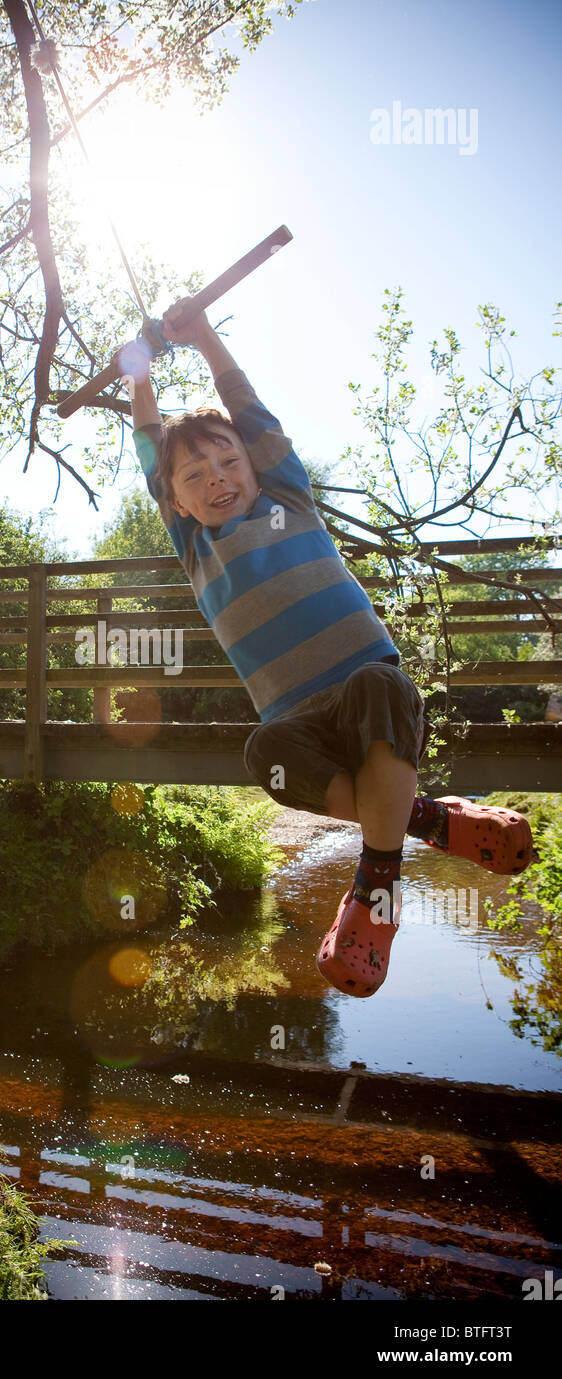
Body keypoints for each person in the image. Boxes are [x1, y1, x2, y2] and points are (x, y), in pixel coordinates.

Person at [125, 300, 534, 998]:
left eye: (228, 462)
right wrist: (139, 360)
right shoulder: (195, 548)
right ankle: (429, 819)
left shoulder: (288, 496)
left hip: (367, 692)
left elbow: (248, 409)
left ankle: (376, 892)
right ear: (177, 502)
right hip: (298, 725)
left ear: (255, 467)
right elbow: (146, 443)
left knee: (382, 686)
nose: (216, 478)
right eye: (194, 478)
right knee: (264, 755)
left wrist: (200, 336)